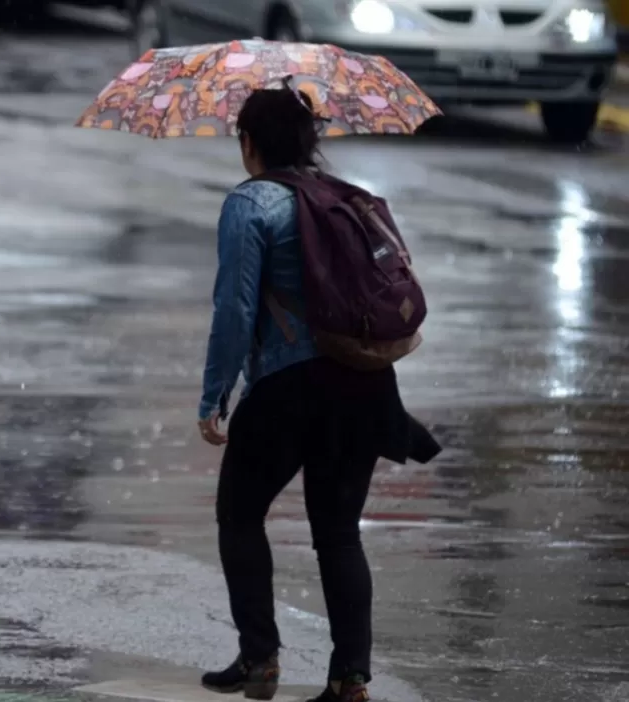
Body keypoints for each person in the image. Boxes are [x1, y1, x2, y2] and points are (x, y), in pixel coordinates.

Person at [194, 85, 439, 702]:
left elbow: (235, 308)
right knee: (338, 532)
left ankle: (260, 661)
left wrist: (214, 393)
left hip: (287, 387)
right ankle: (349, 680)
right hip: (362, 383)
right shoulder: (344, 198)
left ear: (248, 143)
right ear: (308, 142)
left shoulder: (251, 204)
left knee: (239, 514)